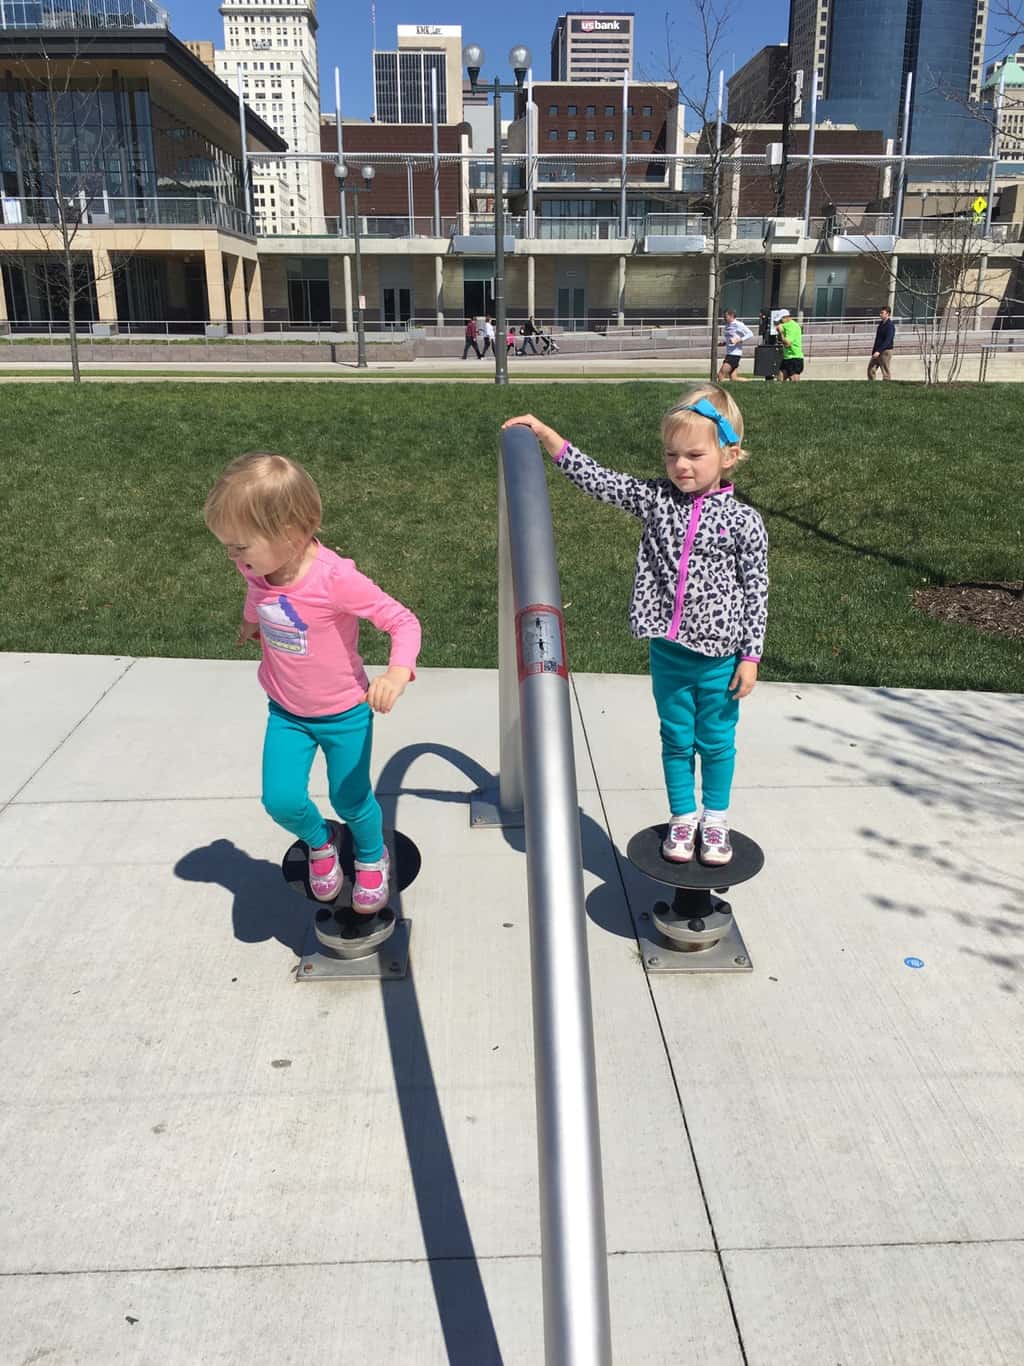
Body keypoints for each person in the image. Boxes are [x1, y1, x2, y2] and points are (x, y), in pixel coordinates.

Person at [502, 384, 768, 867]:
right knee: (675, 738)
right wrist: (546, 436)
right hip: (668, 653)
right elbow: (599, 480)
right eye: (671, 454)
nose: (680, 465)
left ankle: (717, 819)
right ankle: (683, 816)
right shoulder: (656, 501)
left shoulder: (746, 523)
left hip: (720, 659)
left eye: (694, 454)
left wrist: (750, 657)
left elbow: (757, 593)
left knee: (716, 741)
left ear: (729, 455)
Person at [204, 452, 421, 910]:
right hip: (287, 713)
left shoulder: (335, 579)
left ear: (289, 534)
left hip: (344, 713)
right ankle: (321, 842)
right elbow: (258, 593)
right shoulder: (256, 567)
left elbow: (402, 621)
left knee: (351, 799)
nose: (233, 557)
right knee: (280, 799)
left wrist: (397, 672)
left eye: (240, 546)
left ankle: (370, 854)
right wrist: (251, 622)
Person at [718, 309, 754, 382]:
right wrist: (724, 343)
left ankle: (718, 391)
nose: (724, 318)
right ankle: (751, 382)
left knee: (721, 374)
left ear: (731, 316)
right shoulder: (727, 325)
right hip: (729, 353)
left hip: (734, 354)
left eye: (725, 316)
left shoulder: (738, 324)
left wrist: (739, 340)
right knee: (733, 378)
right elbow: (730, 338)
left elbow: (750, 334)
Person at [868, 306, 895, 381]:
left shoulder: (890, 326)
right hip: (877, 351)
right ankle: (871, 384)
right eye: (880, 313)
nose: (880, 314)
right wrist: (874, 351)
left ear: (888, 314)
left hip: (885, 351)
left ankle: (886, 386)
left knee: (885, 371)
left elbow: (888, 340)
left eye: (882, 313)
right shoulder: (880, 325)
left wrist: (879, 351)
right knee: (871, 369)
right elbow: (877, 339)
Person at [776, 309, 804, 381]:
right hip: (787, 357)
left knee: (794, 379)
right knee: (780, 376)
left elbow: (787, 344)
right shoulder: (785, 326)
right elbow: (780, 340)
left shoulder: (792, 327)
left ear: (786, 317)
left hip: (795, 357)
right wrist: (779, 332)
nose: (779, 322)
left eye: (781, 319)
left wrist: (781, 333)